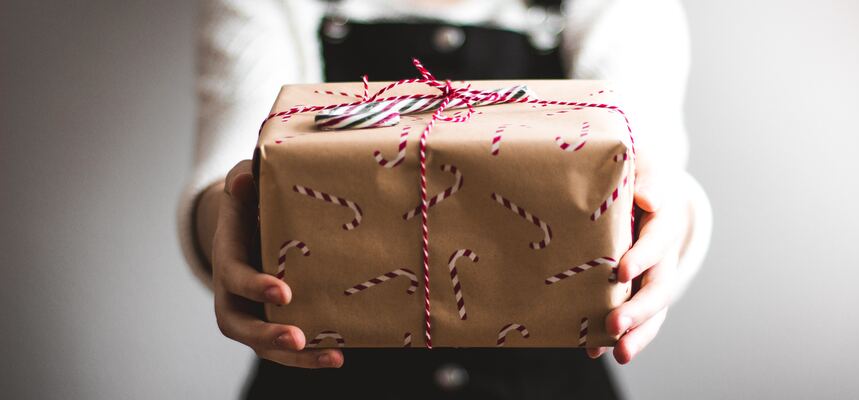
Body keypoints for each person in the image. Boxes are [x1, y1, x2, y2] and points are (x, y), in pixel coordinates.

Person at [177, 0, 712, 398]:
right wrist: (228, 229)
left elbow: (649, 161)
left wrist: (668, 224)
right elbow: (233, 168)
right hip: (320, 370)